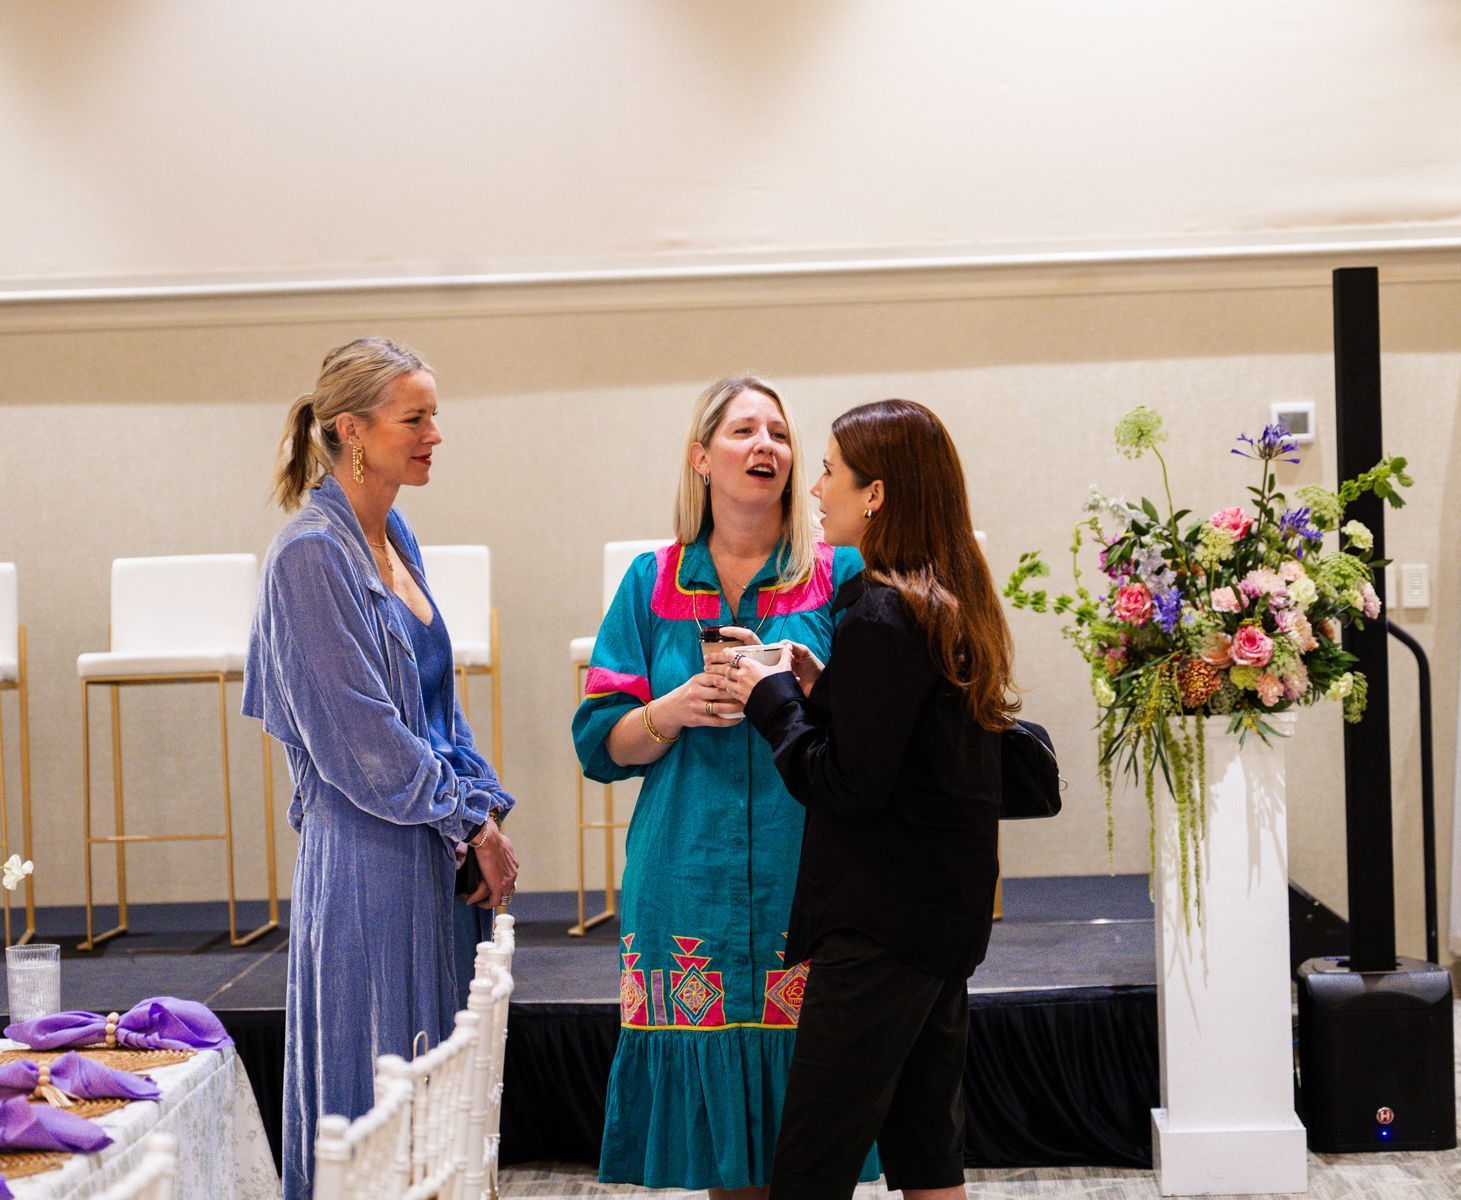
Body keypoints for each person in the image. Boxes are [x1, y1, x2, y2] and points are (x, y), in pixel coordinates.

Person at [572, 376, 879, 1196]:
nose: (765, 447)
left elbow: (882, 734)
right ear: (701, 458)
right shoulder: (650, 580)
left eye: (778, 433)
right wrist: (670, 711)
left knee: (815, 1126)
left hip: (806, 872)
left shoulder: (843, 575)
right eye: (744, 431)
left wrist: (812, 694)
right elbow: (599, 746)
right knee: (724, 1152)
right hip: (685, 879)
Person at [243, 337, 520, 1200]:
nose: (437, 432)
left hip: (431, 847)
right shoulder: (309, 557)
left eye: (435, 413)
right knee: (376, 1113)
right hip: (368, 862)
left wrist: (483, 810)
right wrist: (465, 821)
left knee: (434, 1113)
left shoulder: (394, 533)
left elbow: (440, 706)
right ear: (352, 431)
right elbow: (365, 746)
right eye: (417, 416)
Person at [724, 398, 1017, 1200]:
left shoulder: (884, 612)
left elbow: (845, 786)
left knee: (811, 1170)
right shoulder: (946, 600)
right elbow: (907, 747)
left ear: (876, 494)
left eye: (828, 471)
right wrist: (826, 691)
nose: (815, 489)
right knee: (927, 1157)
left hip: (882, 926)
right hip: (937, 919)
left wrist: (772, 696)